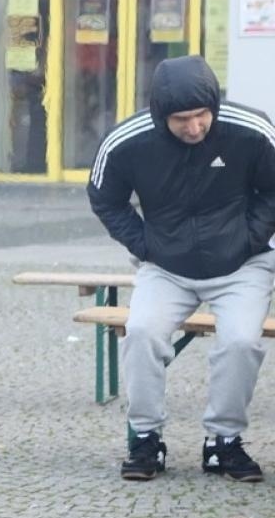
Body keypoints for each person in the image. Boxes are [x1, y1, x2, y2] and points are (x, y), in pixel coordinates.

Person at [88, 55, 273, 484]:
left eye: (202, 115)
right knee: (142, 332)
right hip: (167, 266)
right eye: (181, 119)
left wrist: (250, 236)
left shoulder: (251, 131)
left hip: (242, 265)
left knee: (242, 341)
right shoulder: (127, 141)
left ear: (214, 106)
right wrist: (144, 244)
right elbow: (104, 196)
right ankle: (146, 438)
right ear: (160, 115)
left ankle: (224, 442)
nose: (194, 127)